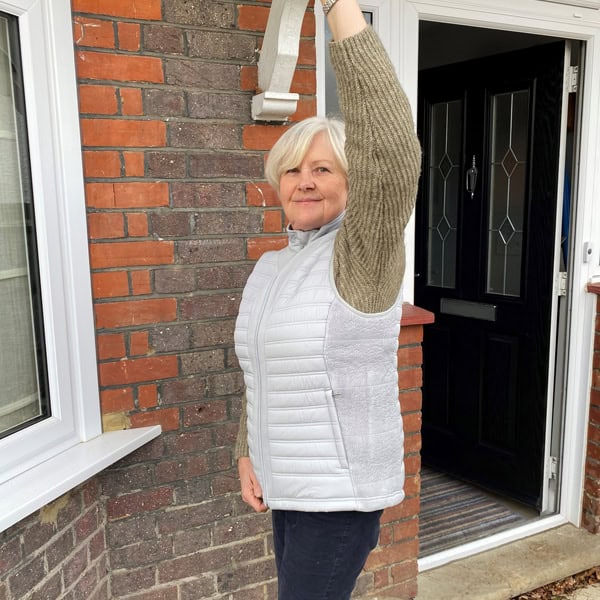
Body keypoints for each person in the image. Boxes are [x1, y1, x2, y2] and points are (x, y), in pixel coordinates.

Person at [234, 0, 421, 597]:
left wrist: (339, 8)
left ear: (353, 182)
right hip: (289, 487)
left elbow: (390, 154)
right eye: (292, 171)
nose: (305, 181)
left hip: (340, 498)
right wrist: (248, 452)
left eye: (323, 169)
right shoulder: (271, 267)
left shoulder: (361, 255)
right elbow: (261, 372)